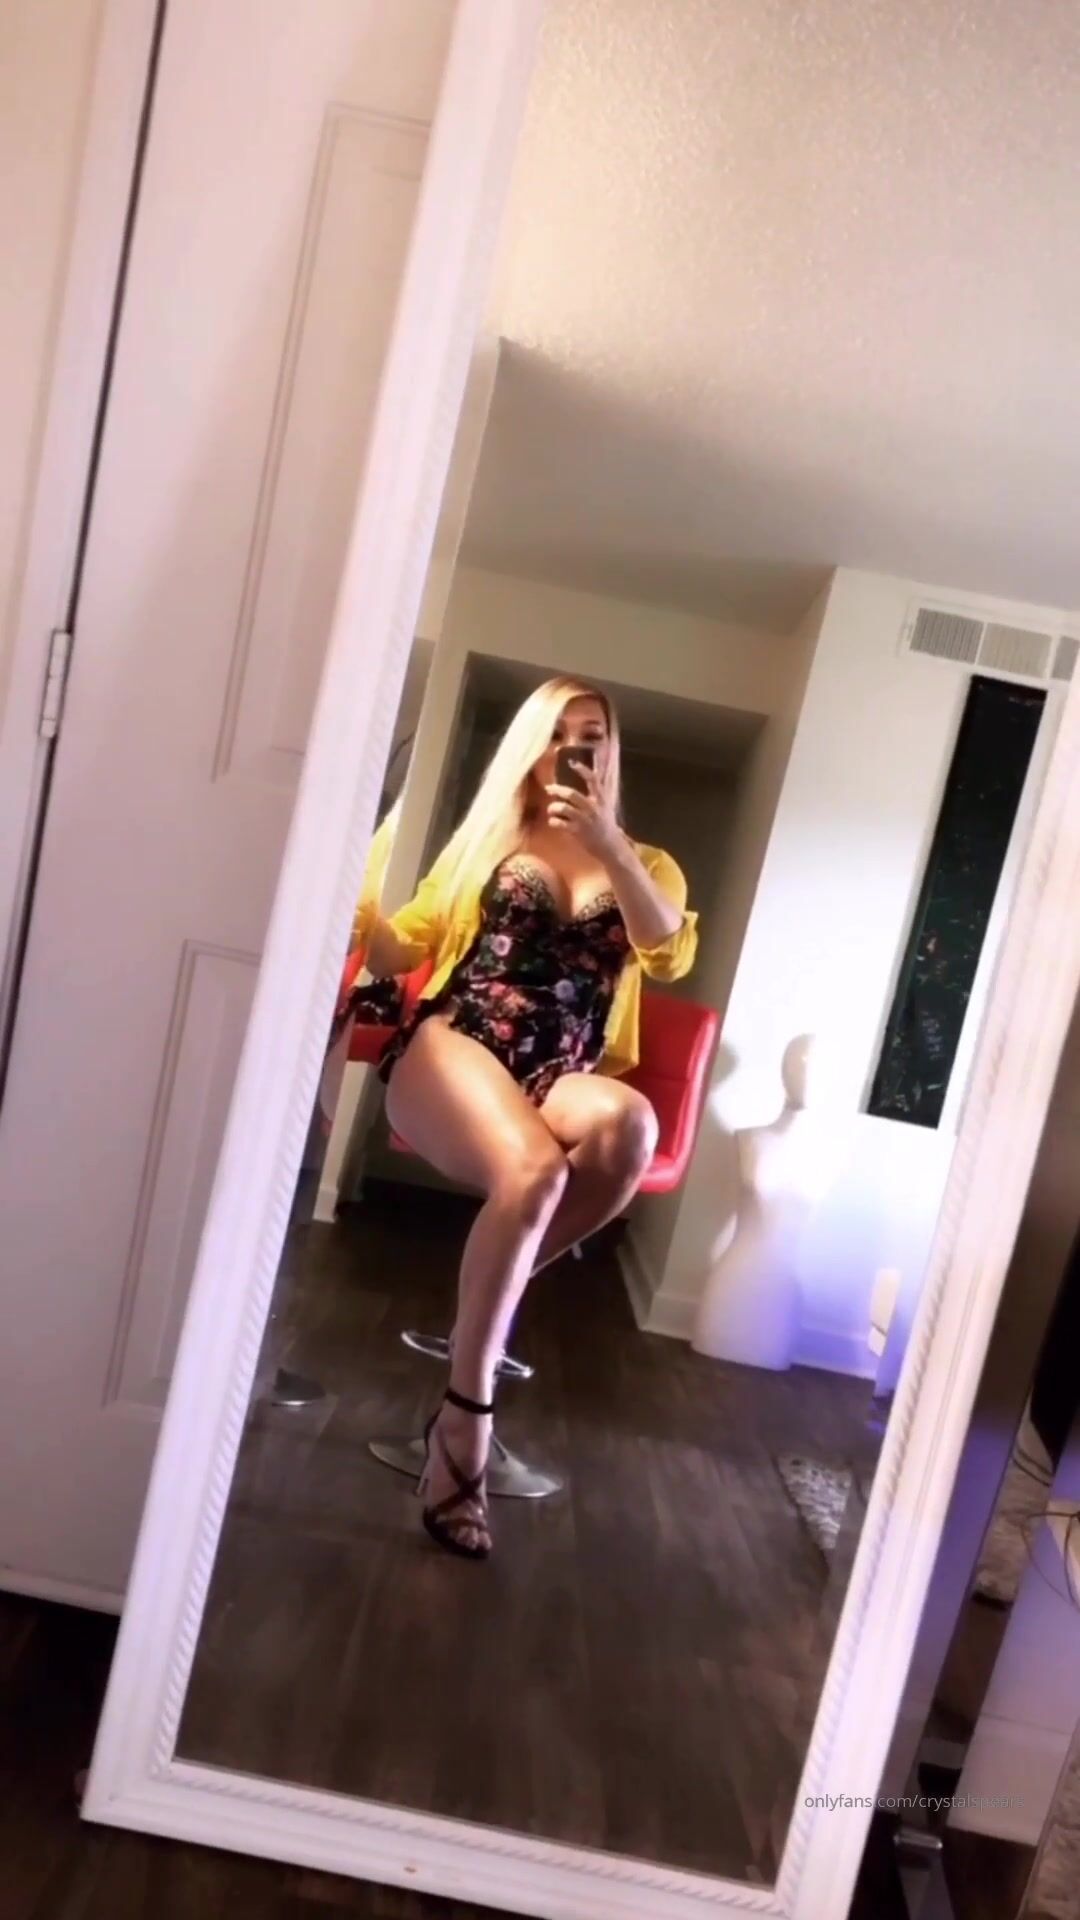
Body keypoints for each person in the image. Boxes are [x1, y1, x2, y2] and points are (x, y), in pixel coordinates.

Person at [356, 676, 699, 1559]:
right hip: (458, 1041)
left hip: (559, 1066)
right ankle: (466, 1418)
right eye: (559, 733)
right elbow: (402, 944)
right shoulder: (487, 840)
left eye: (594, 734)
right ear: (533, 748)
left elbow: (666, 951)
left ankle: (484, 1309)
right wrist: (352, 885)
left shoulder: (649, 863)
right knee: (536, 1172)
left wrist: (611, 844)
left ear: (611, 751)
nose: (575, 749)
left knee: (631, 1127)